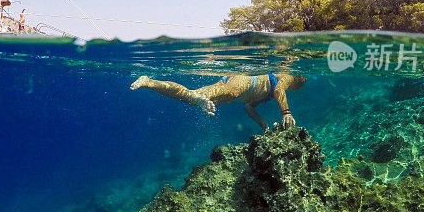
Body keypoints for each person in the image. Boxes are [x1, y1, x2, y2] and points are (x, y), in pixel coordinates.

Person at [130, 72, 306, 132]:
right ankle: (199, 98)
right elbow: (278, 90)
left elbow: (249, 107)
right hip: (246, 81)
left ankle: (150, 82)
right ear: (299, 83)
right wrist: (286, 112)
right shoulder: (288, 77)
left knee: (190, 97)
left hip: (239, 90)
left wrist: (263, 125)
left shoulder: (267, 94)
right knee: (232, 91)